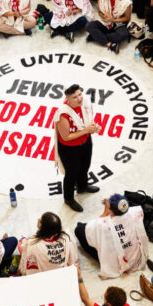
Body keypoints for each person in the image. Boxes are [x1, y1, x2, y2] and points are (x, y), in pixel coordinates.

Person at [55, 83, 101, 211]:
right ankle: (68, 198)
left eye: (80, 94)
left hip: (85, 142)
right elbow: (66, 137)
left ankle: (82, 186)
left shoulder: (85, 102)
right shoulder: (63, 114)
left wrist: (93, 127)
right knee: (71, 174)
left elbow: (88, 120)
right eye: (75, 97)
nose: (79, 98)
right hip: (70, 148)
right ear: (67, 99)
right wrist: (87, 130)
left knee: (85, 166)